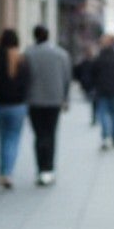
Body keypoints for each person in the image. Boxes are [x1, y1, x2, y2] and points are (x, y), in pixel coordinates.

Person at [23, 24, 72, 187]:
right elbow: (67, 78)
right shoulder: (61, 54)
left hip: (34, 101)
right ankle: (48, 169)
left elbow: (24, 78)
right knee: (50, 134)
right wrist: (65, 99)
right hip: (54, 101)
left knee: (39, 136)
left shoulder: (28, 54)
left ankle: (40, 169)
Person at [0, 28, 29, 188]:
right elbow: (28, 83)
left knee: (3, 139)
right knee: (13, 139)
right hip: (18, 105)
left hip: (0, 104)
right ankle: (7, 173)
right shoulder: (22, 60)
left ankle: (2, 172)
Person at [90, 34, 114, 149]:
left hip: (103, 90)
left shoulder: (99, 58)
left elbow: (93, 74)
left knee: (103, 114)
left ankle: (106, 135)